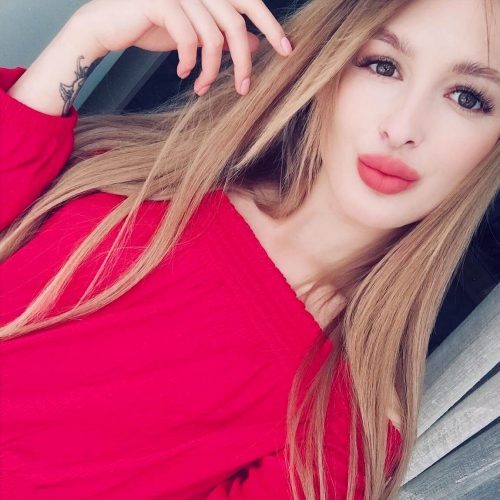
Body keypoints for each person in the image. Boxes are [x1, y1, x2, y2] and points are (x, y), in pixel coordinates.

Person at [0, 0, 498, 498]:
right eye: (383, 65)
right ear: (327, 60)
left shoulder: (343, 429)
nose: (403, 128)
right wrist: (85, 37)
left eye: (468, 98)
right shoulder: (134, 176)